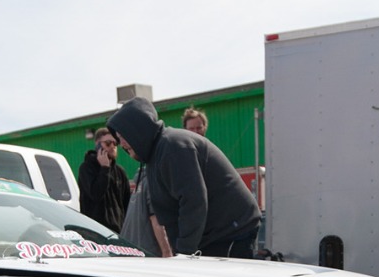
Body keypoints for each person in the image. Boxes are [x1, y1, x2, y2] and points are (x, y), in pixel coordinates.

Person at [108, 96, 261, 257]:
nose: (121, 144)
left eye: (123, 137)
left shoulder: (173, 146)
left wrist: (184, 253)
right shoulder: (154, 157)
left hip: (230, 231)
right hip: (211, 235)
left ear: (137, 131)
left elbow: (193, 201)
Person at [76, 126, 132, 231]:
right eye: (108, 143)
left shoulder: (120, 172)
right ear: (97, 144)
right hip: (95, 232)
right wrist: (104, 169)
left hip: (118, 231)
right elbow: (96, 194)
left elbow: (127, 203)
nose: (113, 147)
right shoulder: (86, 168)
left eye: (115, 143)